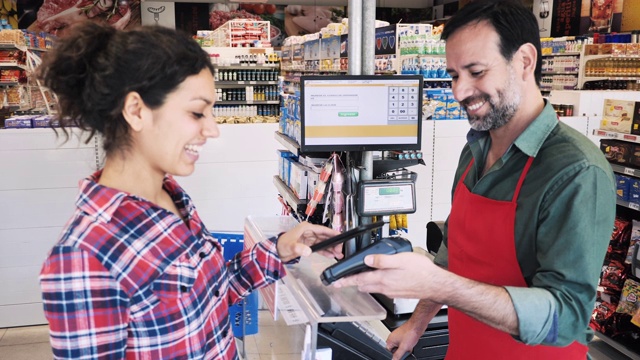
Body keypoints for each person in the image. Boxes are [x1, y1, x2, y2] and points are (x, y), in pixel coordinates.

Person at [37, 22, 342, 360]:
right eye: (197, 112)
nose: (211, 129)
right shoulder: (83, 256)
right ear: (136, 111)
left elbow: (207, 296)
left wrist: (282, 248)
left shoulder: (170, 197)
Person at [333, 1, 616, 359]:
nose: (460, 91)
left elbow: (568, 316)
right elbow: (454, 251)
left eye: (477, 71)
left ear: (525, 61)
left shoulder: (575, 172)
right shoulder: (475, 151)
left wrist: (443, 286)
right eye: (454, 75)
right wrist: (417, 323)